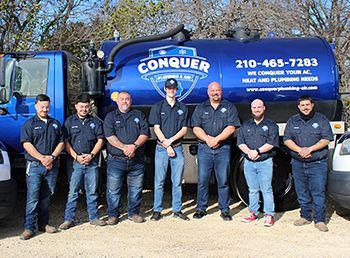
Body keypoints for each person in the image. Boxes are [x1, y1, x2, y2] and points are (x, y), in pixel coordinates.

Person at [191, 81, 240, 221]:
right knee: (202, 180)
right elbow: (195, 127)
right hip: (204, 149)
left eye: (217, 90)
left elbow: (232, 127)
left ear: (221, 92)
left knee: (223, 180)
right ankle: (201, 208)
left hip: (223, 149)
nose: (215, 93)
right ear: (208, 92)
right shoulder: (201, 107)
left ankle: (224, 210)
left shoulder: (229, 107)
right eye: (212, 91)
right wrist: (208, 139)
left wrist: (217, 139)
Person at [284, 95, 333, 232]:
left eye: (307, 105)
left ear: (312, 105)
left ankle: (320, 220)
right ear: (298, 107)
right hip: (298, 163)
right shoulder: (293, 121)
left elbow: (326, 139)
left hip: (317, 163)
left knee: (318, 192)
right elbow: (287, 140)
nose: (305, 107)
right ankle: (305, 216)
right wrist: (300, 150)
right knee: (301, 191)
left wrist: (310, 149)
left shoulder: (321, 119)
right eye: (302, 105)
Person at [19, 94, 65, 240]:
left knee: (47, 197)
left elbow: (62, 142)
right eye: (42, 106)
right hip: (34, 166)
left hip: (51, 166)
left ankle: (43, 224)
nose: (45, 109)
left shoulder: (55, 124)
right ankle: (29, 228)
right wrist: (42, 158)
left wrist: (51, 157)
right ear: (36, 106)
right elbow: (27, 144)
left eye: (47, 106)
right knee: (33, 198)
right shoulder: (29, 124)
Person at [59, 94, 106, 230]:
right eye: (81, 106)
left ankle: (94, 218)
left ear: (89, 107)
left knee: (91, 191)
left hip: (91, 161)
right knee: (73, 191)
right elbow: (65, 142)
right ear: (76, 107)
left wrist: (91, 155)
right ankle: (69, 219)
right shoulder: (69, 122)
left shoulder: (95, 122)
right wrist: (76, 157)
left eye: (86, 106)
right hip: (75, 162)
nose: (84, 109)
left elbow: (100, 140)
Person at [104, 91, 149, 224]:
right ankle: (113, 215)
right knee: (113, 190)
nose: (125, 102)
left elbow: (145, 133)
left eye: (127, 99)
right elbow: (110, 137)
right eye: (122, 99)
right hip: (116, 160)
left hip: (136, 160)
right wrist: (125, 148)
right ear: (117, 101)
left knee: (136, 189)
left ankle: (133, 213)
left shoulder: (139, 115)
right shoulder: (110, 117)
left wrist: (133, 146)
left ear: (131, 101)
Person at [148, 78, 189, 221]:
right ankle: (157, 210)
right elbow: (156, 128)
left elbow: (184, 129)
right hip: (161, 149)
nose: (171, 90)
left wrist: (171, 143)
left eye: (174, 88)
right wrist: (167, 145)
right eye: (169, 88)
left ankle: (177, 210)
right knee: (158, 181)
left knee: (177, 182)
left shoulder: (183, 107)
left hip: (177, 148)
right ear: (165, 89)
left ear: (177, 90)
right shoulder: (157, 106)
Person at [237, 99, 278, 227]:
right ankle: (253, 213)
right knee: (252, 190)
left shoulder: (271, 125)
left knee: (266, 189)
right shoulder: (245, 125)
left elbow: (271, 143)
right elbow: (240, 142)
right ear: (251, 109)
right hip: (249, 162)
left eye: (259, 107)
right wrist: (249, 152)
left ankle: (269, 215)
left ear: (264, 108)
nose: (257, 109)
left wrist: (257, 151)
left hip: (265, 161)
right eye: (254, 107)